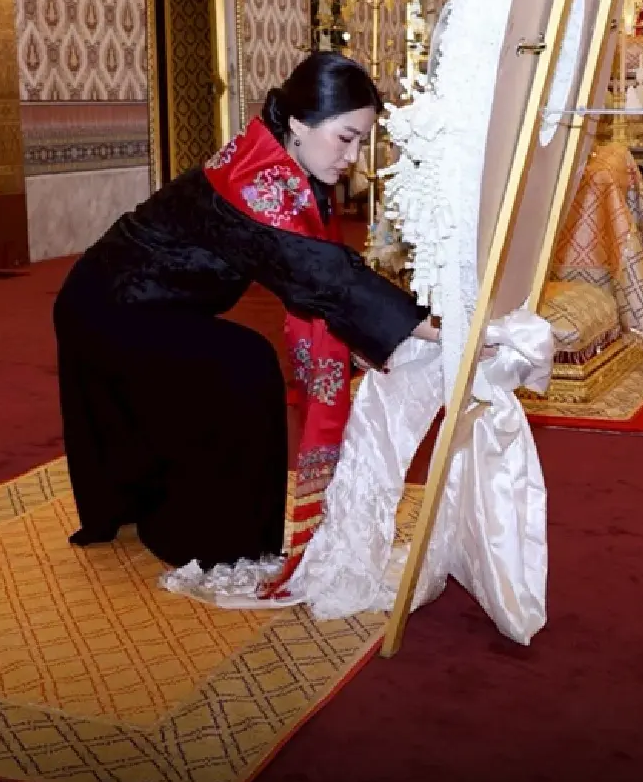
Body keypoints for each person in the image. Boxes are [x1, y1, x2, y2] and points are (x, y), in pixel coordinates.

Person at [55, 52, 435, 595]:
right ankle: (216, 540)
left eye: (361, 141)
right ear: (300, 124)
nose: (354, 157)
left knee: (232, 361)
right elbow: (322, 274)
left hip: (153, 303)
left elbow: (321, 267)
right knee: (240, 366)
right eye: (346, 138)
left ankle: (193, 514)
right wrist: (426, 326)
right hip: (110, 307)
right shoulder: (256, 182)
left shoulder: (282, 162)